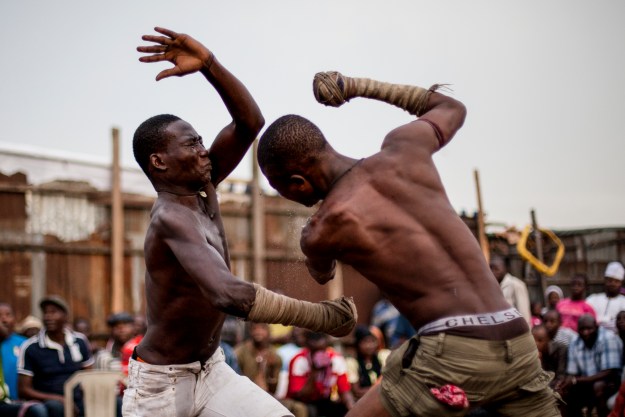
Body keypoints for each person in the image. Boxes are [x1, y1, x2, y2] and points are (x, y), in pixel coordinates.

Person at [257, 71, 561, 416]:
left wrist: (309, 239)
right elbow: (452, 107)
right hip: (517, 340)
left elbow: (321, 273)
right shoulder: (406, 148)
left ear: (296, 182)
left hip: (453, 352)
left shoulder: (324, 228)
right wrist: (356, 87)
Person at [124, 27, 356, 417]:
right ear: (159, 162)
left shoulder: (203, 187)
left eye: (201, 141)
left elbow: (250, 122)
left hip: (212, 370)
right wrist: (320, 316)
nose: (203, 151)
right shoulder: (169, 217)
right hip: (161, 386)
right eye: (192, 145)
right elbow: (226, 294)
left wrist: (209, 64)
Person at [17, 295, 94, 417]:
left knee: (115, 402)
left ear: (65, 316)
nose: (48, 316)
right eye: (45, 313)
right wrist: (58, 398)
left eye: (54, 312)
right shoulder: (31, 346)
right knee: (56, 407)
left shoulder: (79, 340)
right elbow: (23, 390)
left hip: (77, 398)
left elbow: (89, 375)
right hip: (49, 400)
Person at [287, 331, 354, 417]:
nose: (319, 354)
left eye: (322, 350)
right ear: (308, 346)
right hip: (304, 403)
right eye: (315, 350)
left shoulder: (336, 359)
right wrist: (314, 371)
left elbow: (345, 392)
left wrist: (352, 408)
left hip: (325, 401)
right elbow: (302, 396)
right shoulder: (300, 360)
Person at [235, 323, 282, 395]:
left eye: (262, 328)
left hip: (267, 396)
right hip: (244, 394)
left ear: (269, 331)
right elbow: (236, 381)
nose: (258, 332)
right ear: (250, 331)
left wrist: (272, 369)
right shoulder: (239, 352)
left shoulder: (275, 355)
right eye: (255, 328)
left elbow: (273, 390)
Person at [346, 325, 387, 401]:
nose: (370, 345)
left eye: (373, 341)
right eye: (365, 342)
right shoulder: (352, 363)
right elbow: (357, 391)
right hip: (364, 402)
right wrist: (382, 390)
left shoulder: (382, 356)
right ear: (358, 344)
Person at [489, 255, 532, 325]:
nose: (492, 272)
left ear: (506, 268)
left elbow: (524, 314)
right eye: (490, 268)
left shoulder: (516, 285)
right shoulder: (490, 286)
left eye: (496, 269)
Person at [586, 261, 625, 333]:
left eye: (616, 281)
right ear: (605, 281)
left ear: (621, 283)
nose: (612, 284)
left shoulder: (623, 301)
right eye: (610, 280)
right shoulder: (593, 299)